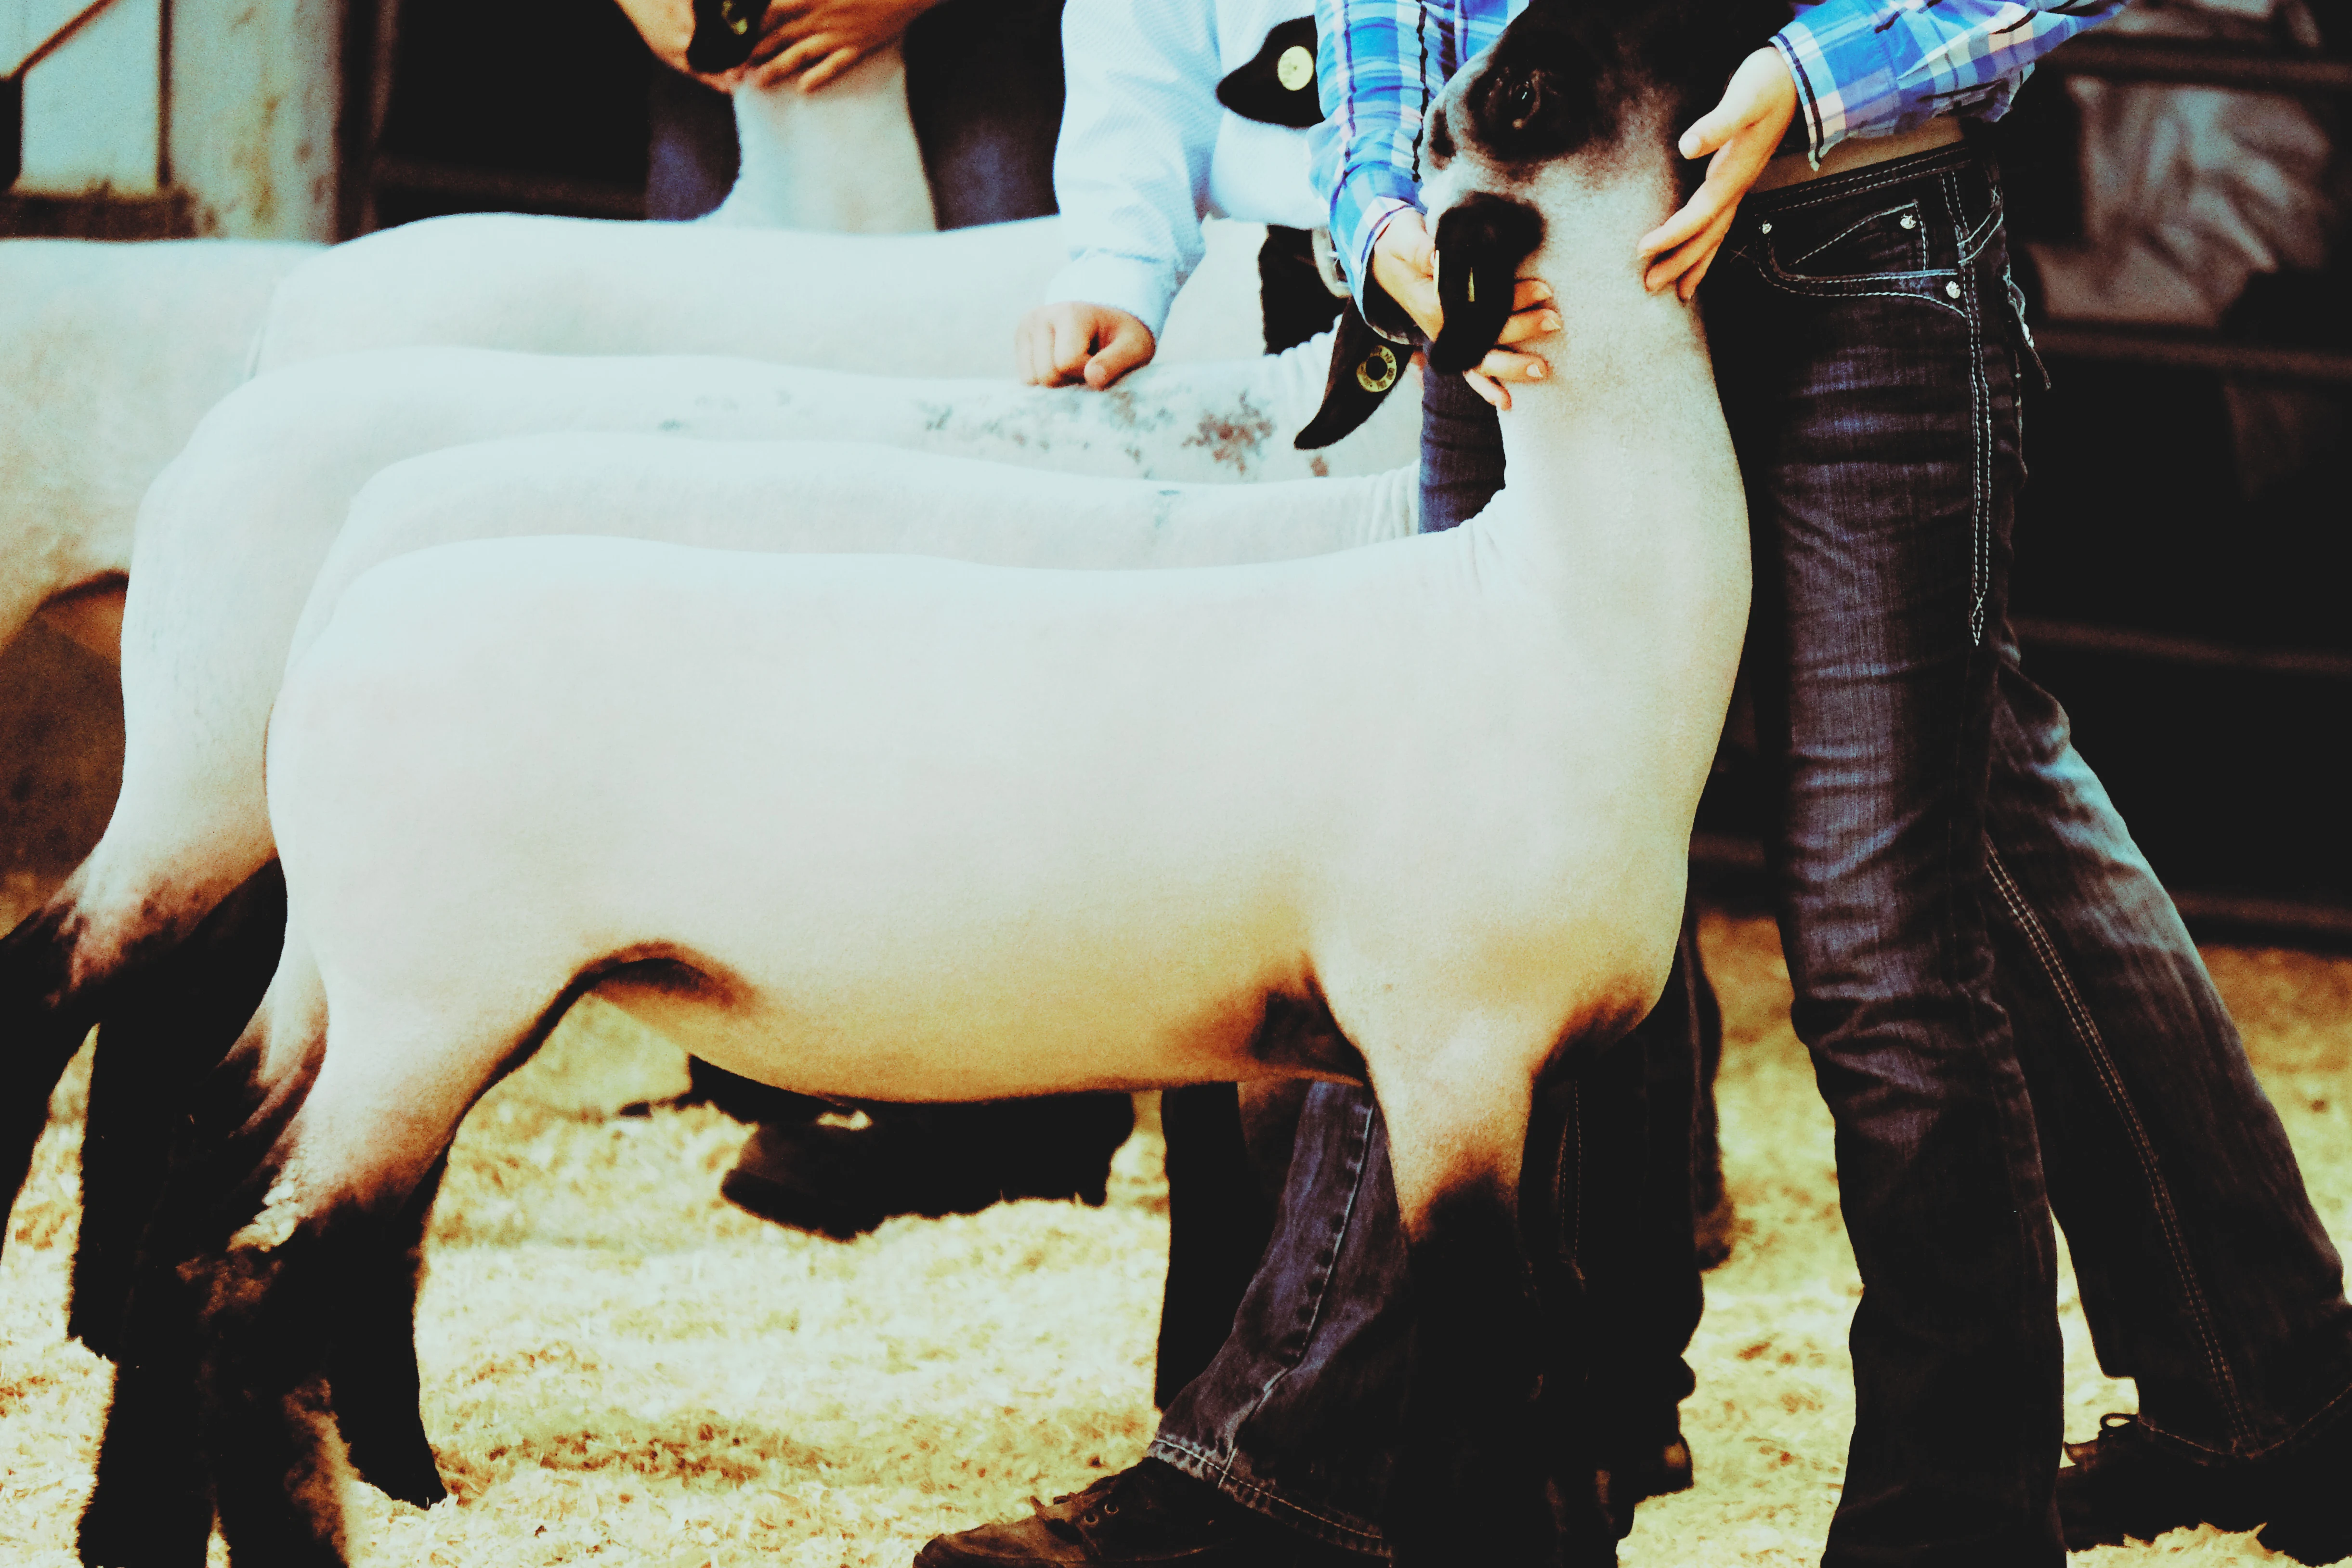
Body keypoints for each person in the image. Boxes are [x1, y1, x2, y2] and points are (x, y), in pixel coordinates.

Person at [1327, 0, 2352, 1563]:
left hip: (1847, 213)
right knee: (1530, 877)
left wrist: (1816, 77)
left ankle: (1954, 1511)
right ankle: (2251, 1370)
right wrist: (1373, 205)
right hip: (1531, 257)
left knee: (1880, 928)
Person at [612, 0, 1137, 1236]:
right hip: (727, 71)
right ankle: (764, 1034)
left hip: (974, 50)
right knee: (715, 514)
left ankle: (1031, 1084)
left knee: (1014, 500)